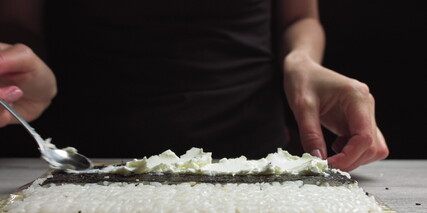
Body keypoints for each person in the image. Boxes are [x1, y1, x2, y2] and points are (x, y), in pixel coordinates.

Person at [0, 0, 388, 171]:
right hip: (86, 151)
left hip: (250, 154)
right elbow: (20, 25)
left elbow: (300, 18)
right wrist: (20, 68)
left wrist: (301, 60)